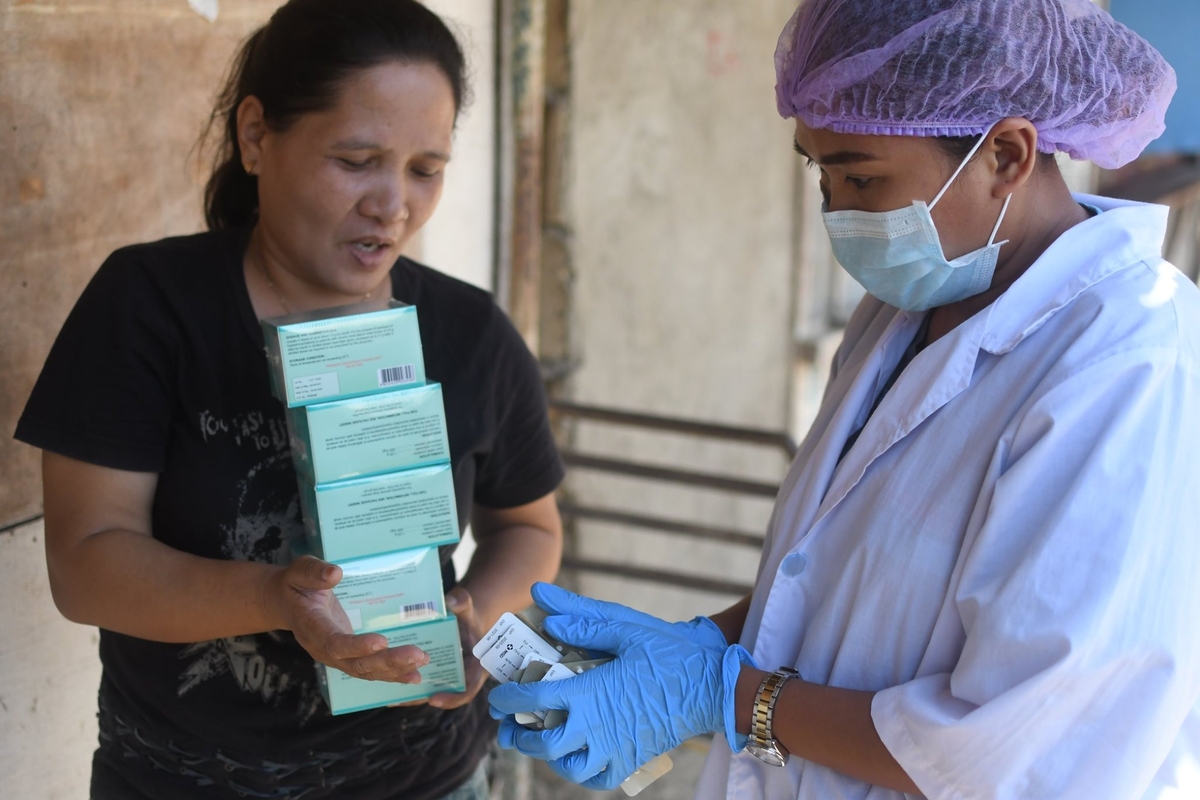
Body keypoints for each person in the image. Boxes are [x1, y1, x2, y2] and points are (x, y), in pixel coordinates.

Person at [488, 1, 1200, 798]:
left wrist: (723, 693)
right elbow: (846, 579)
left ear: (1005, 152)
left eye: (862, 177)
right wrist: (694, 648)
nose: (838, 211)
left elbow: (1016, 743)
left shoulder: (1128, 364)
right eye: (819, 173)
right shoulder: (912, 305)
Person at [15, 1, 564, 798]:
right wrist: (276, 598)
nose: (392, 204)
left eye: (424, 168)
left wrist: (473, 614)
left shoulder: (469, 333)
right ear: (254, 135)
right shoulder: (150, 307)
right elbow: (86, 563)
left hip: (426, 777)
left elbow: (530, 525)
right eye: (356, 159)